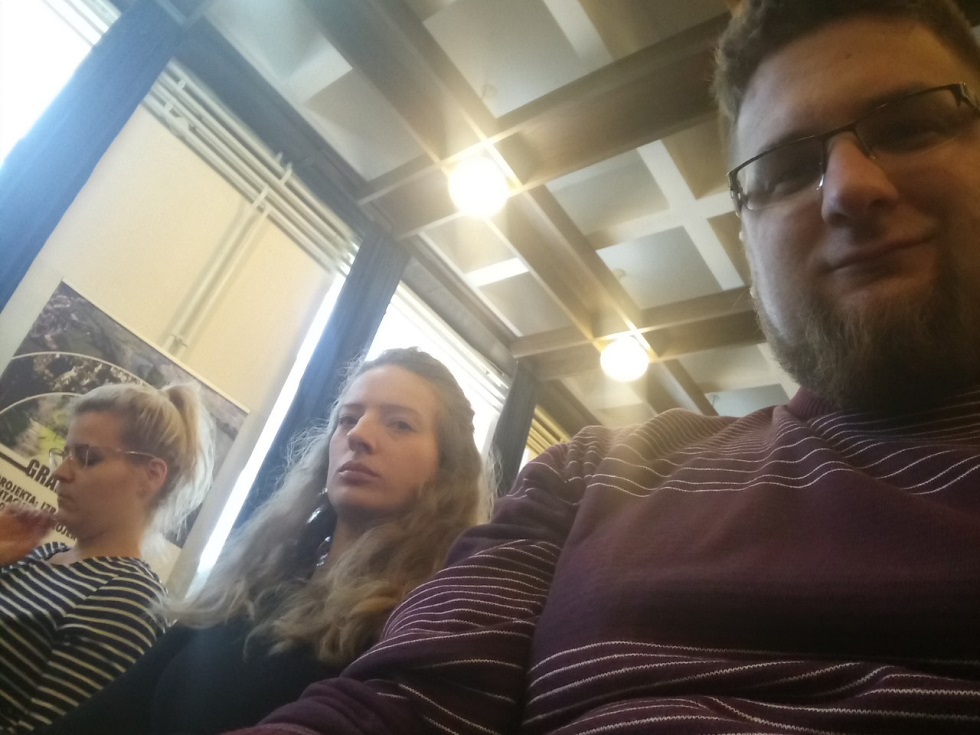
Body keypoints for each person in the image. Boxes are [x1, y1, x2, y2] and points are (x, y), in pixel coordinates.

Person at [217, 2, 980, 734]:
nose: (851, 187)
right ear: (747, 245)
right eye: (786, 168)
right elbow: (402, 706)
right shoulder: (596, 473)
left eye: (911, 127)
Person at [38, 347, 488, 735]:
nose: (359, 435)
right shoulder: (251, 588)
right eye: (348, 419)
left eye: (400, 425)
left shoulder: (417, 631)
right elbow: (108, 715)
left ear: (446, 468)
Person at [0, 381, 214, 734]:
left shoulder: (129, 599)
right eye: (65, 453)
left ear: (151, 476)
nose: (59, 472)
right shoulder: (41, 555)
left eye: (87, 457)